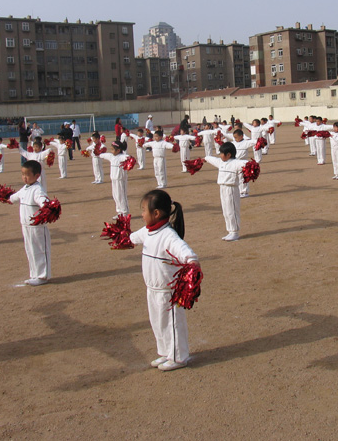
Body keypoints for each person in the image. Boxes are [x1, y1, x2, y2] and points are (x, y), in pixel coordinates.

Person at [130, 189, 200, 371]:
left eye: (143, 210)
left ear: (156, 213)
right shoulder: (147, 232)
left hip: (168, 291)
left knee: (172, 324)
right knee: (158, 323)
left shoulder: (169, 236)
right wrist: (122, 238)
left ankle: (179, 357)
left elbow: (187, 253)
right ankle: (165, 352)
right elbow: (132, 238)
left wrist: (192, 264)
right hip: (152, 288)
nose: (141, 214)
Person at [7, 160, 52, 286]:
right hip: (26, 225)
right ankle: (34, 274)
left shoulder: (38, 189)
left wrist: (46, 206)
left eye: (27, 174)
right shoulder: (25, 188)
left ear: (37, 176)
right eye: (22, 174)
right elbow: (15, 197)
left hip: (37, 227)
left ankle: (43, 276)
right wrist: (7, 197)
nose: (24, 177)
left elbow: (43, 200)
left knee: (40, 250)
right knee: (31, 250)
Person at [203, 142, 248, 241]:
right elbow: (212, 159)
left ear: (228, 155)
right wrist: (205, 159)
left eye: (221, 153)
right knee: (226, 210)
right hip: (222, 188)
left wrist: (252, 166)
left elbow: (247, 163)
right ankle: (230, 231)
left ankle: (235, 232)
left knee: (232, 210)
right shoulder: (221, 162)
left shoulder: (236, 163)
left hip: (231, 189)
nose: (220, 155)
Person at [99, 140, 131, 218]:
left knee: (121, 196)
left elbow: (129, 158)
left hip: (120, 180)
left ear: (118, 150)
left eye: (112, 149)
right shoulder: (111, 156)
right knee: (115, 196)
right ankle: (119, 212)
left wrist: (130, 160)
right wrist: (98, 153)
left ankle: (125, 213)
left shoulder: (122, 157)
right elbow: (102, 155)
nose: (111, 151)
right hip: (114, 179)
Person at [225, 128, 254, 197]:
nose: (235, 139)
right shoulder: (233, 143)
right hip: (235, 163)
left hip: (243, 163)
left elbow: (254, 141)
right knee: (236, 177)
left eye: (236, 137)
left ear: (241, 136)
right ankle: (238, 191)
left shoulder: (246, 143)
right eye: (234, 137)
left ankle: (244, 192)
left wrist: (260, 141)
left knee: (243, 177)